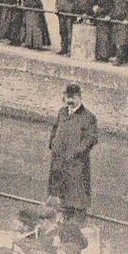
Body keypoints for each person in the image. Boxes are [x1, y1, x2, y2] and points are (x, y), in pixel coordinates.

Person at [48, 84, 98, 221]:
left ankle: (76, 221)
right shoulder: (62, 112)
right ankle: (61, 219)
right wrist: (53, 143)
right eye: (67, 98)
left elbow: (91, 138)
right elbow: (55, 129)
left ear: (79, 98)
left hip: (76, 164)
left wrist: (77, 151)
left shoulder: (89, 117)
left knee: (76, 196)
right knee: (58, 193)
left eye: (73, 98)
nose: (69, 101)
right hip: (59, 160)